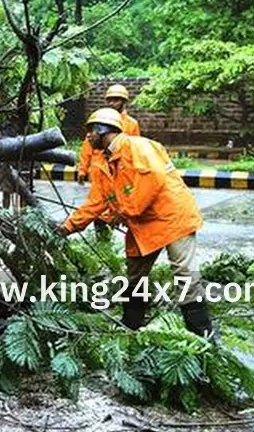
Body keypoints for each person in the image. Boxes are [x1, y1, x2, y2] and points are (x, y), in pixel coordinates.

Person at [56, 108, 215, 338]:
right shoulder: (102, 163)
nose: (87, 137)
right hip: (142, 224)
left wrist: (124, 211)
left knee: (184, 273)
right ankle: (131, 328)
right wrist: (67, 227)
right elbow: (95, 202)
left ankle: (203, 335)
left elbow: (153, 179)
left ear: (104, 131)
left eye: (91, 131)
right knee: (135, 277)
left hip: (172, 217)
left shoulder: (140, 147)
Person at [76, 84, 141, 236]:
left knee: (117, 202)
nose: (112, 103)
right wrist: (82, 169)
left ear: (123, 101)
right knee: (97, 204)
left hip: (119, 169)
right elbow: (87, 147)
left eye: (116, 100)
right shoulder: (101, 119)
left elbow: (134, 148)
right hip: (99, 169)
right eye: (110, 100)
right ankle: (102, 240)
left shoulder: (131, 124)